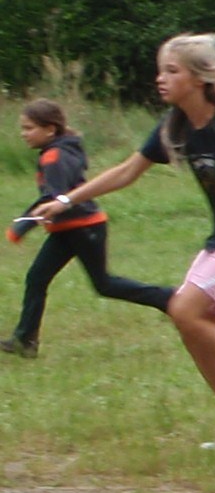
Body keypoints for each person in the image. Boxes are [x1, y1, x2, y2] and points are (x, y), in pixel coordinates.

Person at [33, 34, 215, 427]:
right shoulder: (176, 126)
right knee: (192, 328)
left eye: (171, 71)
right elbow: (127, 171)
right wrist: (65, 200)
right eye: (161, 70)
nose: (161, 78)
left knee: (183, 310)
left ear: (198, 79)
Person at [2, 99, 173, 359]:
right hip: (67, 229)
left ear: (50, 129)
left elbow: (52, 198)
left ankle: (169, 299)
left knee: (104, 284)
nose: (23, 134)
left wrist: (21, 226)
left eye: (29, 128)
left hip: (83, 228)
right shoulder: (63, 148)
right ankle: (25, 341)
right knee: (37, 278)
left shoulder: (54, 156)